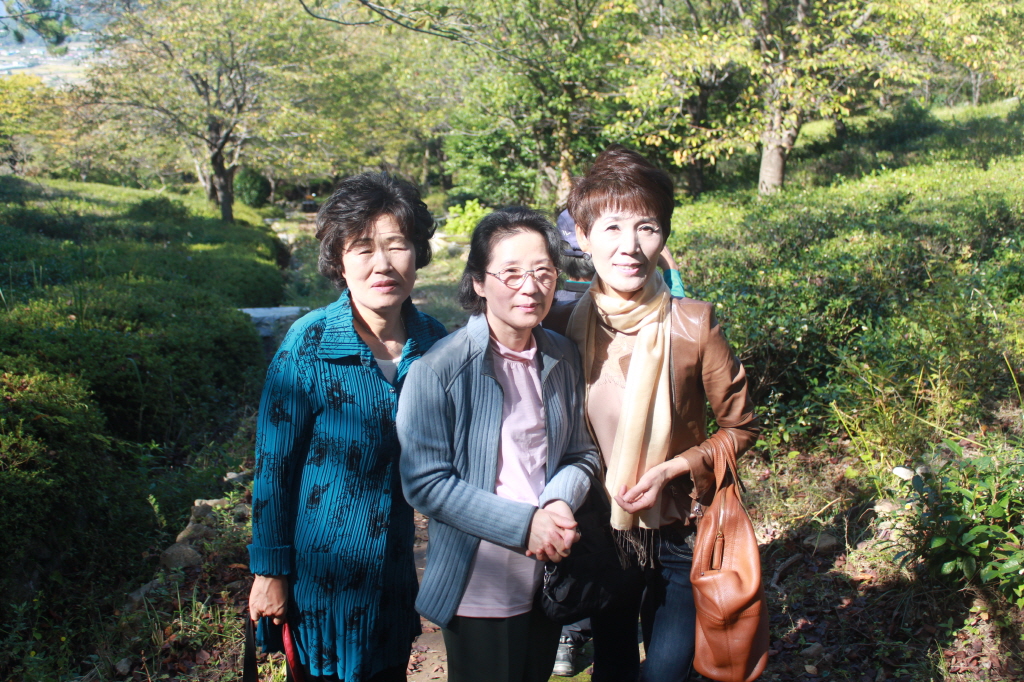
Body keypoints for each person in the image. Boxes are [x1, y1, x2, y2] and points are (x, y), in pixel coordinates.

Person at [547, 146, 760, 682]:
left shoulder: (694, 325)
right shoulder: (560, 323)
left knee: (665, 671)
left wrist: (672, 469)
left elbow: (741, 426)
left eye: (647, 228)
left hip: (679, 529)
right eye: (613, 228)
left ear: (663, 236)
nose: (631, 246)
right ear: (583, 236)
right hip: (600, 530)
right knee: (613, 667)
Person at [247, 172, 448, 682]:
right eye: (362, 248)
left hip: (394, 580)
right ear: (339, 261)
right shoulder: (309, 344)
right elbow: (273, 469)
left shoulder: (435, 344)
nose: (383, 264)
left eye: (397, 245)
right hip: (321, 588)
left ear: (417, 253)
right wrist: (269, 571)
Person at [397, 207, 602, 682]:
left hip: (549, 572)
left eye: (543, 272)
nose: (530, 287)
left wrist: (558, 502)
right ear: (479, 282)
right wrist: (525, 525)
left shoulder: (562, 355)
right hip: (480, 584)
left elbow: (581, 452)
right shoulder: (439, 369)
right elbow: (425, 483)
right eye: (511, 273)